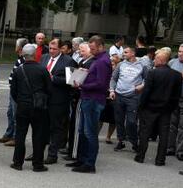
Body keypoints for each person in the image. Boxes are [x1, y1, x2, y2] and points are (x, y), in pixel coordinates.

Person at [66, 36, 112, 173]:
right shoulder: (98, 60)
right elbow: (96, 78)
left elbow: (101, 84)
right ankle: (82, 159)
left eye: (93, 48)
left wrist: (82, 84)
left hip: (94, 100)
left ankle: (90, 163)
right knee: (83, 131)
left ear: (100, 46)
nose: (91, 51)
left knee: (90, 133)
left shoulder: (103, 61)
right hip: (88, 98)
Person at [7, 43, 51, 172]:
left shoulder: (18, 70)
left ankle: (17, 162)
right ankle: (38, 164)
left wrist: (20, 100)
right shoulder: (42, 69)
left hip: (23, 106)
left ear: (23, 55)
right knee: (38, 135)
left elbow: (13, 91)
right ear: (35, 55)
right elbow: (49, 89)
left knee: (20, 134)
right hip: (38, 107)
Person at [134, 50, 183, 165]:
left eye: (155, 58)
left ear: (161, 60)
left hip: (150, 107)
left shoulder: (153, 73)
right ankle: (160, 159)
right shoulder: (176, 75)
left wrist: (141, 106)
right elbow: (177, 95)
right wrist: (172, 107)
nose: (154, 60)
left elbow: (146, 91)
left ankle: (140, 156)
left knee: (145, 132)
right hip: (166, 109)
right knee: (164, 134)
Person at [42, 39, 78, 164]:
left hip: (59, 100)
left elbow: (73, 82)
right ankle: (38, 152)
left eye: (54, 49)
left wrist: (53, 78)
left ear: (61, 48)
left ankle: (52, 155)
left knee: (56, 127)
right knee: (42, 126)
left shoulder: (68, 61)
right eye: (50, 49)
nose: (51, 51)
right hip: (43, 99)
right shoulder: (44, 57)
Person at [109, 47, 147, 151]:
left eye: (126, 52)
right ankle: (121, 141)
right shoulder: (121, 64)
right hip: (119, 96)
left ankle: (134, 142)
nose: (123, 54)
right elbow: (113, 78)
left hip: (133, 97)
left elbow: (148, 79)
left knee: (131, 122)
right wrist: (112, 90)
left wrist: (142, 85)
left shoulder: (142, 65)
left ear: (133, 53)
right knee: (119, 120)